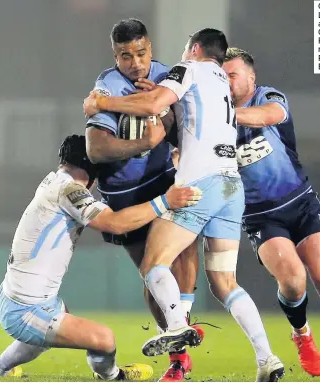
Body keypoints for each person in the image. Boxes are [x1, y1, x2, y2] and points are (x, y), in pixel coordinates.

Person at [84, 28, 285, 382]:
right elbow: (183, 108)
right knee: (225, 283)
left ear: (194, 49)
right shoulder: (222, 80)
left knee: (154, 262)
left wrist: (101, 103)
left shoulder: (186, 68)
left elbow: (151, 105)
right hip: (230, 186)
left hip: (198, 185)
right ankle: (267, 358)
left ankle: (176, 324)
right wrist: (162, 98)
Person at [0, 134, 201, 380]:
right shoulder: (69, 191)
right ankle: (114, 376)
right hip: (26, 309)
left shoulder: (55, 182)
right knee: (104, 340)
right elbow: (115, 223)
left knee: (45, 336)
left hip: (21, 298)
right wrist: (166, 200)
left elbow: (109, 213)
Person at [222, 47, 320, 382]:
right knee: (292, 278)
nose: (227, 82)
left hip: (301, 203)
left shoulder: (268, 97)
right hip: (261, 217)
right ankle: (301, 333)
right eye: (222, 76)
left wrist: (223, 114)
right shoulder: (215, 121)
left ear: (251, 77)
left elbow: (269, 115)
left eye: (232, 74)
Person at [84, 18, 202, 382]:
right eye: (125, 56)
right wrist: (144, 143)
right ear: (114, 55)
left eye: (140, 53)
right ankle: (179, 350)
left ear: (150, 49)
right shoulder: (106, 87)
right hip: (125, 195)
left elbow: (192, 122)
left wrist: (165, 113)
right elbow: (96, 148)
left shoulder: (170, 76)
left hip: (165, 181)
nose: (135, 63)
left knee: (182, 257)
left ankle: (179, 331)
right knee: (152, 274)